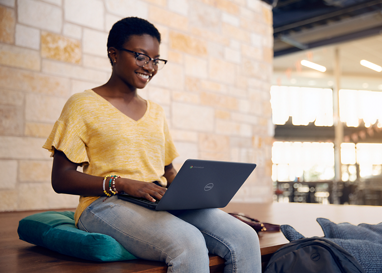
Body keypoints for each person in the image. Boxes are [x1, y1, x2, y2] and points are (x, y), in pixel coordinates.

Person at [43, 17, 262, 273]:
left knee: (244, 236)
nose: (150, 66)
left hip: (157, 200)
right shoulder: (81, 105)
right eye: (141, 56)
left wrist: (197, 200)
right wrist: (123, 183)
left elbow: (168, 172)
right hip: (104, 205)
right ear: (113, 54)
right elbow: (61, 179)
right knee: (188, 243)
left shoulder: (155, 112)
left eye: (156, 59)